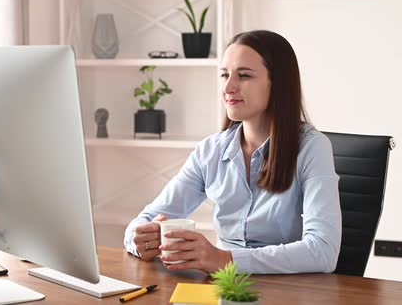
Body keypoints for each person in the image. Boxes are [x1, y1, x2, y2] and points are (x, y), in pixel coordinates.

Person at [123, 30, 341, 274]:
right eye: (224, 75)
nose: (228, 87)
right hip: (223, 287)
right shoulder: (211, 150)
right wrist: (139, 239)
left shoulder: (312, 148)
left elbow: (322, 251)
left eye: (244, 75)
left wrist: (224, 259)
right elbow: (146, 219)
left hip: (287, 291)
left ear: (278, 84)